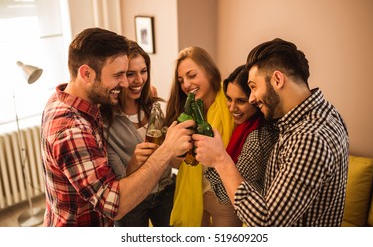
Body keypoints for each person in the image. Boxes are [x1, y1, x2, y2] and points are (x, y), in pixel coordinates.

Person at [40, 27, 194, 226]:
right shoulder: (72, 130)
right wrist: (166, 149)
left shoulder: (66, 99)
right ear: (86, 73)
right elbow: (116, 205)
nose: (124, 83)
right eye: (119, 75)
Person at [193, 38, 349, 226]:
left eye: (253, 87)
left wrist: (220, 160)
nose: (251, 98)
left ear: (277, 79)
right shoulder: (327, 112)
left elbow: (267, 222)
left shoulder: (309, 138)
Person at [100, 41, 175, 227]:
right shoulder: (105, 122)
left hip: (165, 191)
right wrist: (134, 162)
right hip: (132, 203)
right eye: (130, 74)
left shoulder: (155, 106)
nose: (139, 80)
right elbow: (117, 183)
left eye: (143, 71)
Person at [165, 46, 237, 227]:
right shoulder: (183, 113)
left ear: (210, 73)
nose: (186, 84)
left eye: (192, 75)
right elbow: (176, 164)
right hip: (192, 194)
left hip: (224, 197)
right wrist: (175, 151)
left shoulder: (232, 106)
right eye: (181, 80)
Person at [205, 65, 278, 208]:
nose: (232, 108)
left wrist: (214, 160)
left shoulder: (258, 137)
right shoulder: (244, 126)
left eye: (241, 101)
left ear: (255, 99)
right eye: (229, 99)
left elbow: (225, 194)